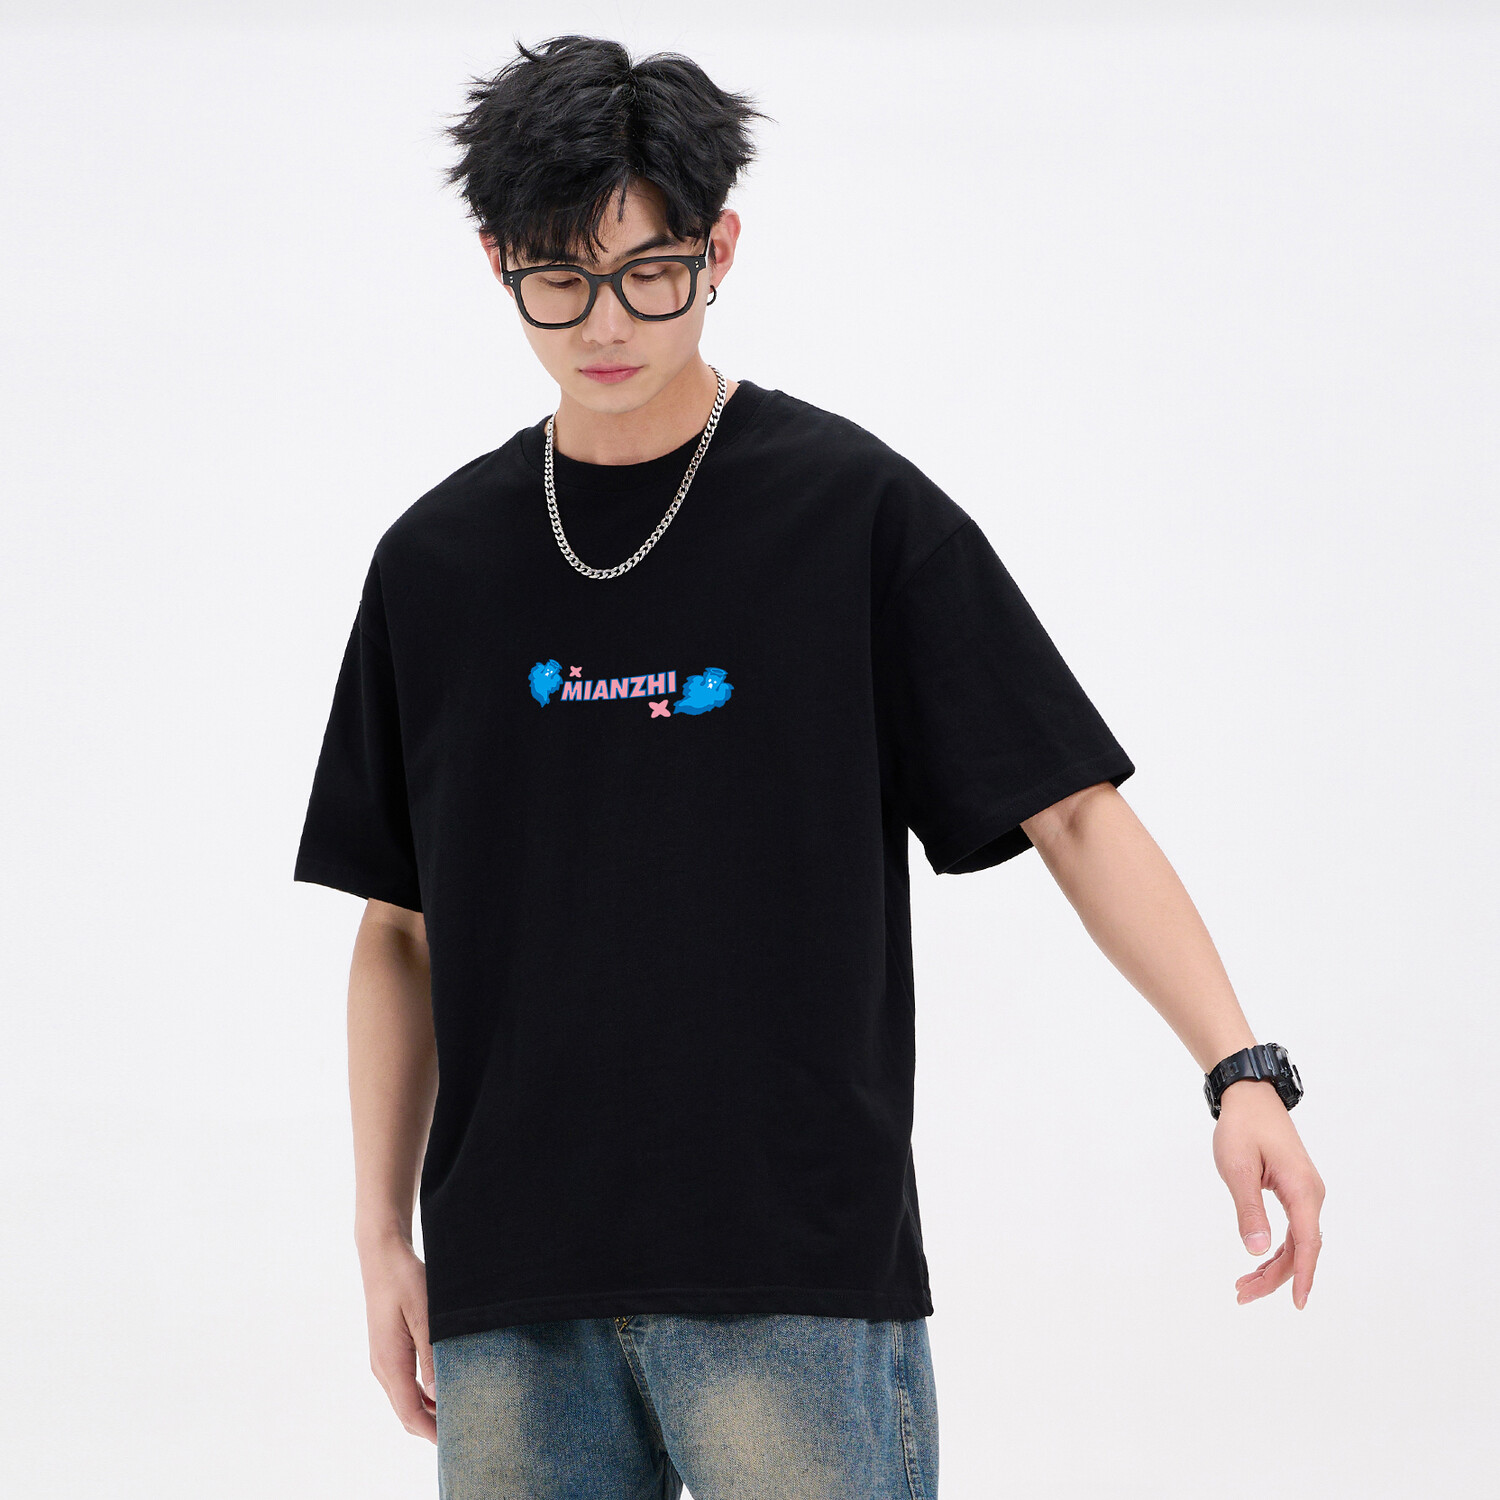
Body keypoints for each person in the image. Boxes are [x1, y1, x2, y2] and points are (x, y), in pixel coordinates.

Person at [292, 33, 1326, 1500]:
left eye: (649, 271)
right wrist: (381, 1238)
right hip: (513, 1291)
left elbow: (1074, 810)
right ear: (497, 262)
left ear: (719, 249)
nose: (606, 320)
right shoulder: (434, 566)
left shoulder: (852, 516)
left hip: (792, 1278)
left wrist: (1239, 1071)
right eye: (560, 278)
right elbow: (397, 928)